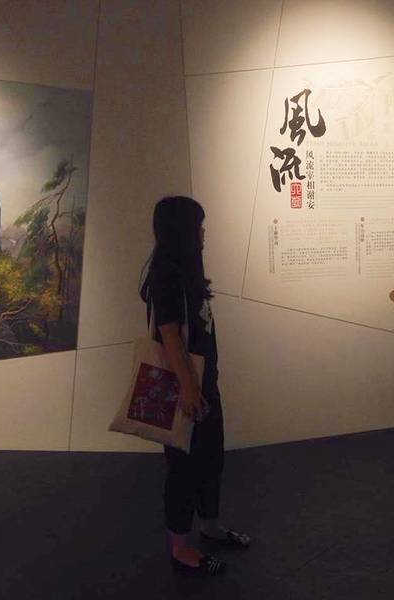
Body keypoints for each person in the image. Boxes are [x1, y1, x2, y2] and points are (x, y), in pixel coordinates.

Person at [140, 196, 251, 576]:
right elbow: (169, 335)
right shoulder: (165, 275)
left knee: (211, 460)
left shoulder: (187, 269)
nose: (204, 233)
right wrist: (188, 388)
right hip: (185, 389)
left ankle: (210, 525)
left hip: (205, 383)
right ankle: (181, 548)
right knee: (183, 471)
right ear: (182, 231)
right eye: (198, 226)